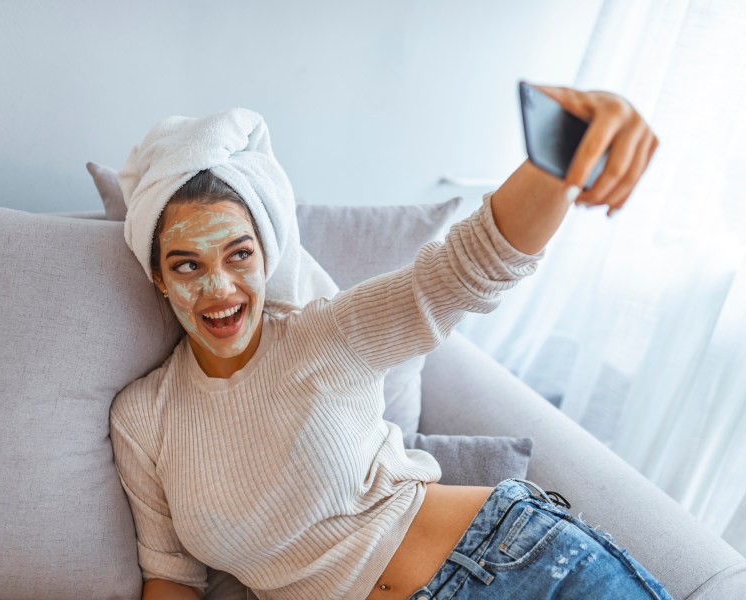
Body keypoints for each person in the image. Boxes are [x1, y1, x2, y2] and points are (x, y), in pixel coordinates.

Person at [109, 85, 670, 600]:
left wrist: (560, 158)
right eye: (187, 265)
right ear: (158, 277)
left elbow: (467, 268)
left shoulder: (323, 335)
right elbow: (172, 576)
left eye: (239, 255)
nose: (219, 288)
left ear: (266, 255)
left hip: (508, 565)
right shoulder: (144, 418)